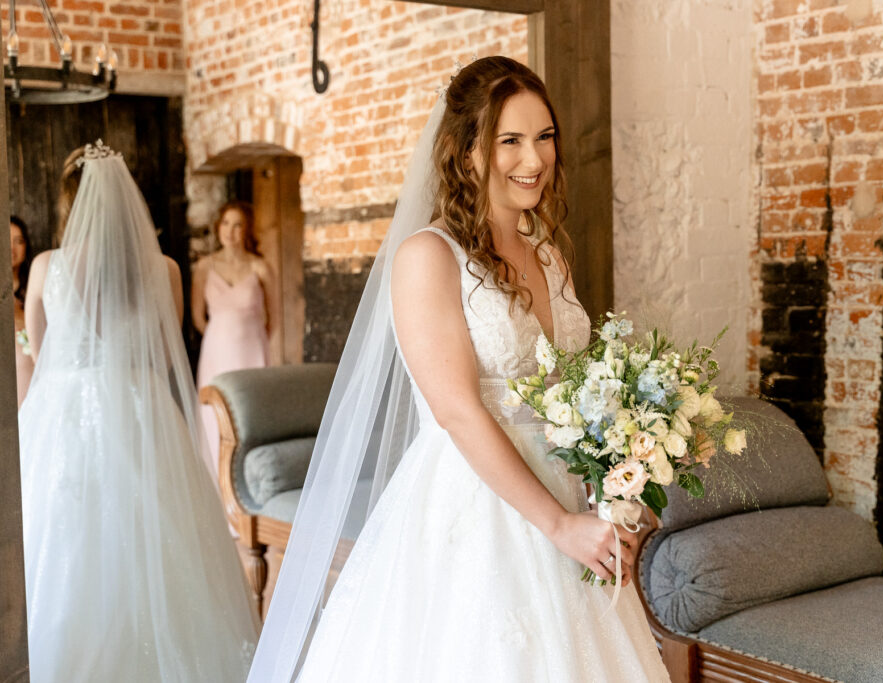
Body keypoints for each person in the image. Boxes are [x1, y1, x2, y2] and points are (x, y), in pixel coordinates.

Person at [248, 57, 670, 682]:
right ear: (467, 149)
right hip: (476, 504)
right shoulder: (428, 256)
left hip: (565, 490)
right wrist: (558, 525)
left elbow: (581, 395)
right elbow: (455, 408)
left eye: (545, 136)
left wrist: (620, 495)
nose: (535, 158)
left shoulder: (549, 255)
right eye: (511, 140)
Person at [19, 142, 259, 682]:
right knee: (155, 540)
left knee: (62, 540)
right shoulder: (165, 270)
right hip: (141, 411)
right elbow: (166, 346)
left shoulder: (45, 268)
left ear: (68, 205)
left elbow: (38, 354)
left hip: (63, 414)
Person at [192, 200, 276, 476]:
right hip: (216, 351)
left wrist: (252, 339)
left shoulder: (260, 267)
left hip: (251, 348)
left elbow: (272, 317)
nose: (230, 231)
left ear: (247, 230)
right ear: (218, 228)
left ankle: (252, 475)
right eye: (226, 223)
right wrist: (221, 338)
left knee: (251, 414)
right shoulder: (204, 267)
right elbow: (197, 318)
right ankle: (219, 481)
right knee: (217, 415)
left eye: (238, 224)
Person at [10, 215, 33, 406]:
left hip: (37, 383)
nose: (12, 248)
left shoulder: (35, 289)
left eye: (18, 241)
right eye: (6, 240)